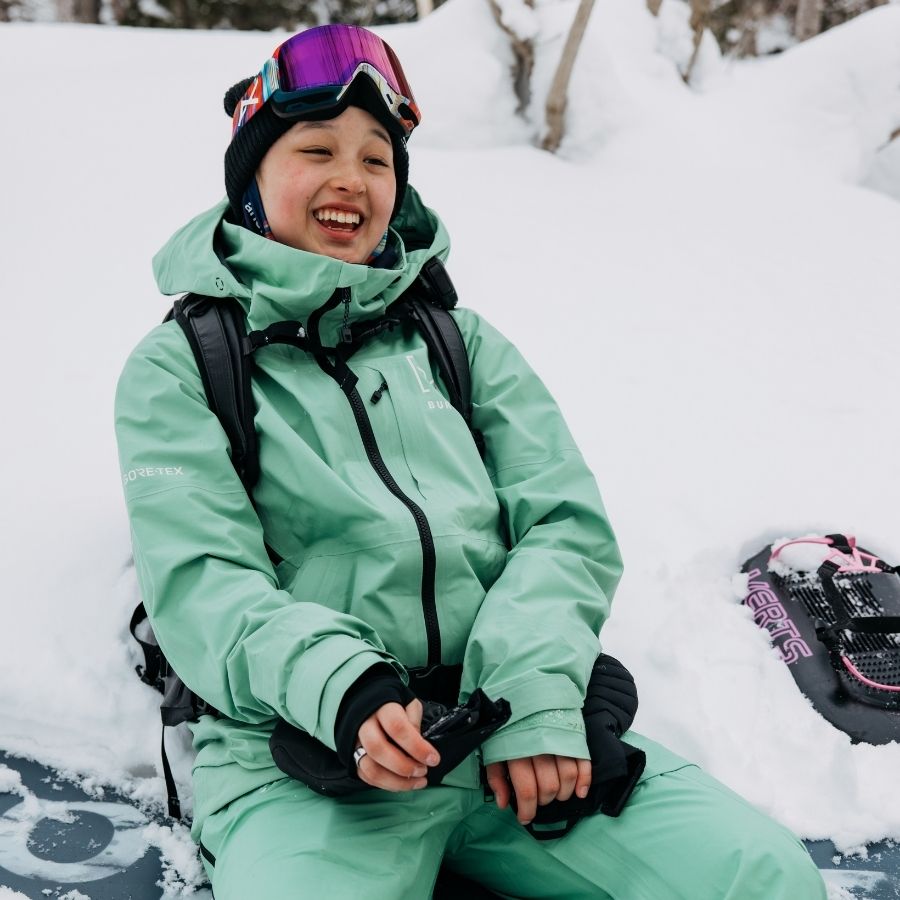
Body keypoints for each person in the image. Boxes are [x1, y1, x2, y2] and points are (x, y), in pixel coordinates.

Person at [115, 23, 827, 900]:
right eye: (316, 149)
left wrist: (530, 695)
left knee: (763, 880)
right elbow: (204, 581)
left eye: (378, 159)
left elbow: (564, 524)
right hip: (304, 759)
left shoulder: (459, 344)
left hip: (508, 733)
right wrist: (346, 690)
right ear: (252, 179)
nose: (352, 178)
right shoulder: (181, 367)